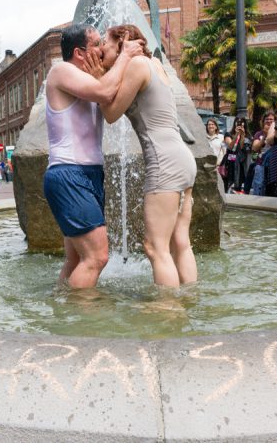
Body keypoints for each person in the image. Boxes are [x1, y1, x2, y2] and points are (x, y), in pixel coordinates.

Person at [42, 23, 142, 289]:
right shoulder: (61, 71)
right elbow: (106, 92)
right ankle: (81, 318)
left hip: (89, 173)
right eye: (96, 44)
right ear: (79, 53)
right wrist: (126, 56)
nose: (101, 50)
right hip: (69, 172)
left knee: (76, 260)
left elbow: (109, 107)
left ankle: (62, 309)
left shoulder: (88, 80)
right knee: (97, 257)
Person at [98, 24, 197, 287]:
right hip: (183, 159)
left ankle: (166, 311)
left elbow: (110, 115)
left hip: (164, 161)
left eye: (104, 45)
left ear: (123, 40)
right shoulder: (155, 65)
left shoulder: (137, 66)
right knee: (180, 242)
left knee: (155, 248)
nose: (100, 51)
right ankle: (188, 299)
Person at [222, 117, 251, 193]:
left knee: (239, 185)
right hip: (230, 164)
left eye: (241, 122)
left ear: (244, 124)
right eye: (237, 122)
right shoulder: (228, 134)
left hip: (241, 164)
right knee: (228, 184)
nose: (239, 124)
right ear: (234, 123)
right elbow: (230, 147)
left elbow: (242, 148)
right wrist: (236, 135)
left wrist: (242, 136)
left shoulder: (247, 136)